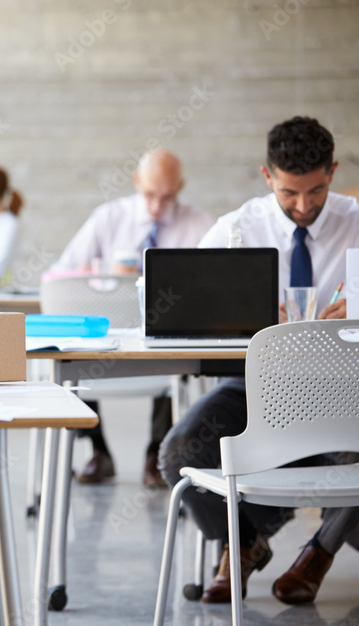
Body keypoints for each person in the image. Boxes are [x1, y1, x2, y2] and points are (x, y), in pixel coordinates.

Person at [158, 116, 359, 604]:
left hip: (347, 394)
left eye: (317, 191)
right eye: (289, 194)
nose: (304, 206)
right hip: (259, 386)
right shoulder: (236, 230)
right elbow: (185, 308)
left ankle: (318, 552)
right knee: (179, 453)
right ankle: (244, 541)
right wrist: (239, 316)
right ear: (267, 177)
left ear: (333, 171)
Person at [51, 149, 214, 487]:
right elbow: (62, 274)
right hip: (105, 342)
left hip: (163, 346)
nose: (157, 205)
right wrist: (108, 274)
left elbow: (217, 281)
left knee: (173, 352)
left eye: (168, 197)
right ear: (137, 181)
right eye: (151, 194)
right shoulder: (108, 218)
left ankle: (158, 453)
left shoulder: (199, 225)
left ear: (180, 187)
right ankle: (99, 450)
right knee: (71, 355)